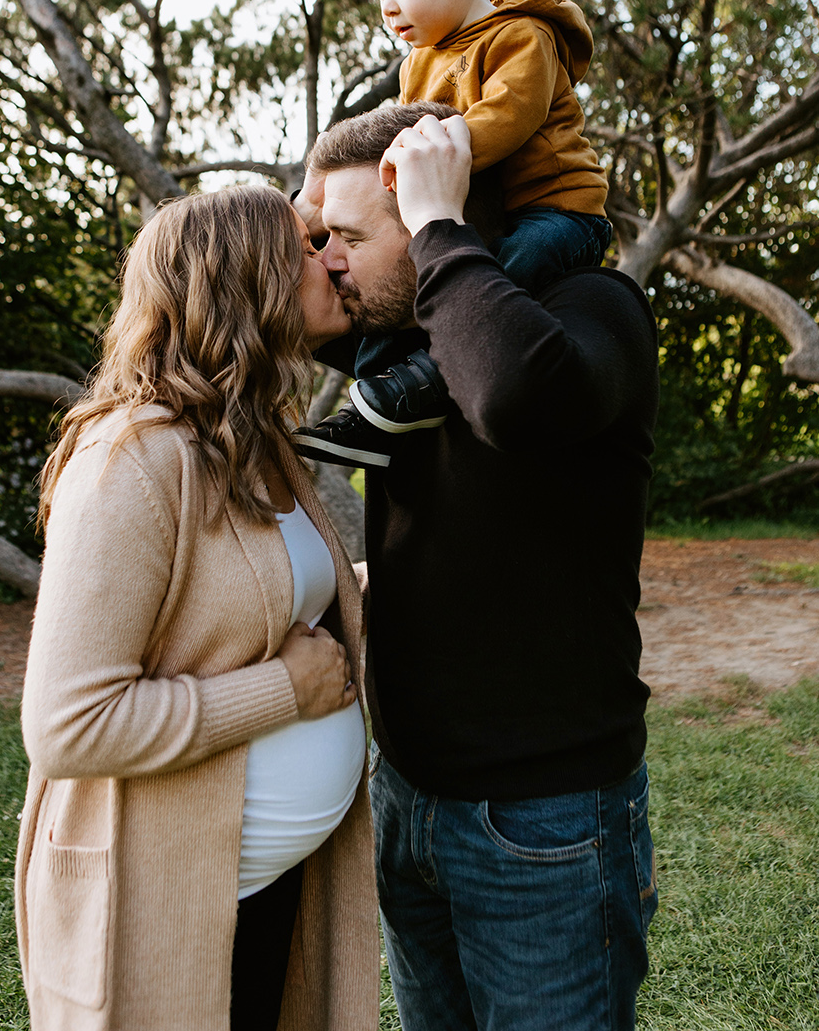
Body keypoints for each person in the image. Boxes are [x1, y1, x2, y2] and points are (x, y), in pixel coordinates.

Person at [298, 104, 659, 1031]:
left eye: (347, 235)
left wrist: (435, 228)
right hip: (408, 793)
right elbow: (255, 307)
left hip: (546, 821)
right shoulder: (398, 329)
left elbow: (510, 394)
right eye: (319, 236)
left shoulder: (592, 307)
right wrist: (303, 225)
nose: (328, 257)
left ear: (439, 215)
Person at [14, 186, 379, 1031]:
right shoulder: (132, 458)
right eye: (305, 246)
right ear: (246, 280)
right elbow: (68, 725)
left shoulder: (253, 441)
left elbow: (251, 607)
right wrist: (285, 693)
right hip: (165, 905)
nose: (330, 258)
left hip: (262, 892)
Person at [295, 0, 612, 469]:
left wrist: (410, 161)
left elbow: (504, 121)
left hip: (556, 210)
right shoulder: (420, 62)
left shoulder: (521, 37)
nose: (386, 7)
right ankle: (382, 387)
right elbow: (402, 126)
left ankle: (424, 382)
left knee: (508, 268)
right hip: (485, 213)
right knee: (395, 286)